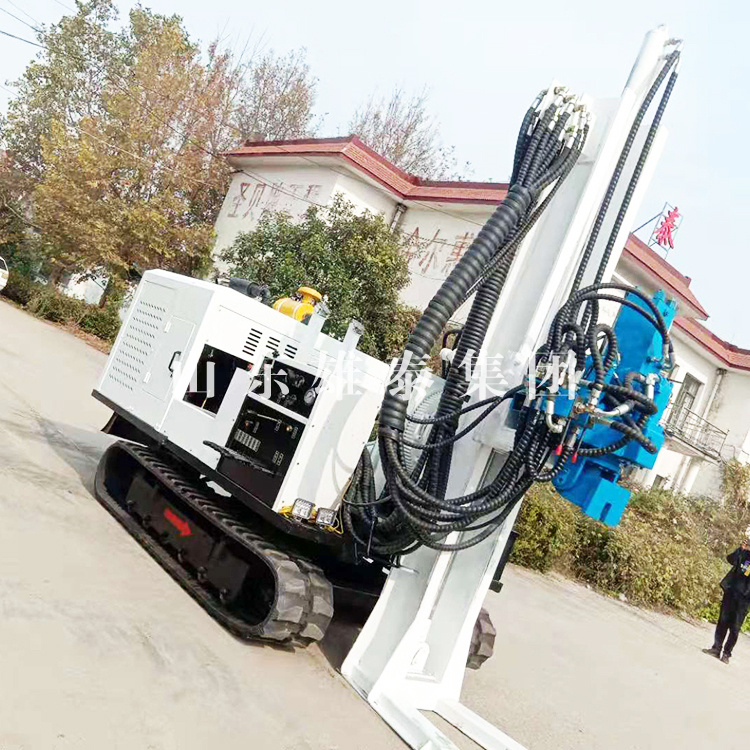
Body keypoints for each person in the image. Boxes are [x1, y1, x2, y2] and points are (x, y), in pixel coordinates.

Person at [704, 539, 750, 664]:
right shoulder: (743, 553)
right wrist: (741, 549)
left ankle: (726, 654)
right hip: (731, 592)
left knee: (735, 628)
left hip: (744, 599)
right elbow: (730, 559)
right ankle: (716, 648)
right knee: (722, 622)